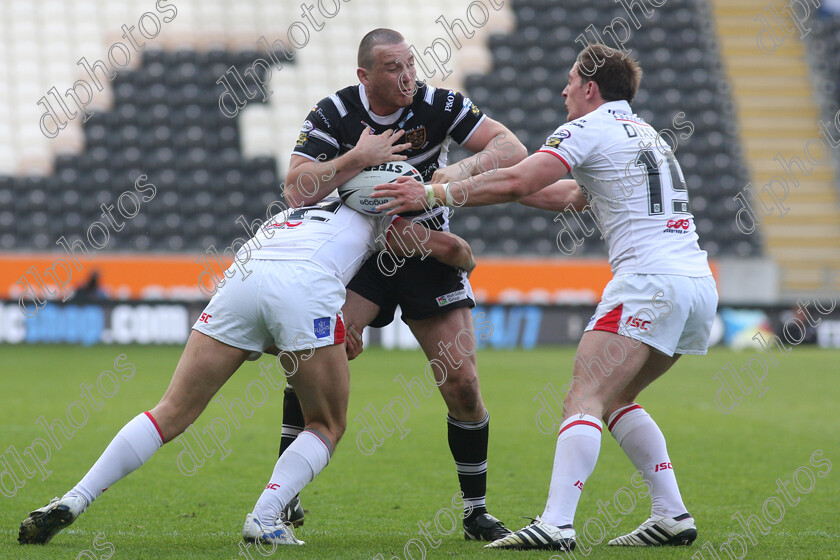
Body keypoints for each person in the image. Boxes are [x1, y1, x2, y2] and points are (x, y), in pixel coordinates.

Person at [374, 43, 718, 551]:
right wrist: (459, 186)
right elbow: (566, 195)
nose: (563, 91)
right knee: (616, 396)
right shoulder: (646, 135)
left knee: (583, 396)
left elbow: (518, 179)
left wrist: (435, 194)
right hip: (695, 284)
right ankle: (671, 514)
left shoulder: (587, 127)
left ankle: (556, 522)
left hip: (649, 281)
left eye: (570, 81)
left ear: (590, 88)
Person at [18, 198, 476, 547]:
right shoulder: (378, 216)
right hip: (302, 285)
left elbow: (270, 332)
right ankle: (266, 515)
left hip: (243, 279)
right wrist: (468, 260)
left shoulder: (288, 213)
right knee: (328, 423)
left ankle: (75, 497)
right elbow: (451, 247)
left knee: (170, 412)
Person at [274, 28, 527, 541]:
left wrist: (437, 185)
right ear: (365, 76)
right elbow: (295, 189)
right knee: (311, 363)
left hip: (421, 246)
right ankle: (283, 494)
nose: (408, 74)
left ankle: (475, 510)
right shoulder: (334, 114)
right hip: (358, 255)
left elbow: (511, 147)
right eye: (394, 68)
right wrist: (355, 161)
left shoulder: (438, 104)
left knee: (463, 382)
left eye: (410, 63)